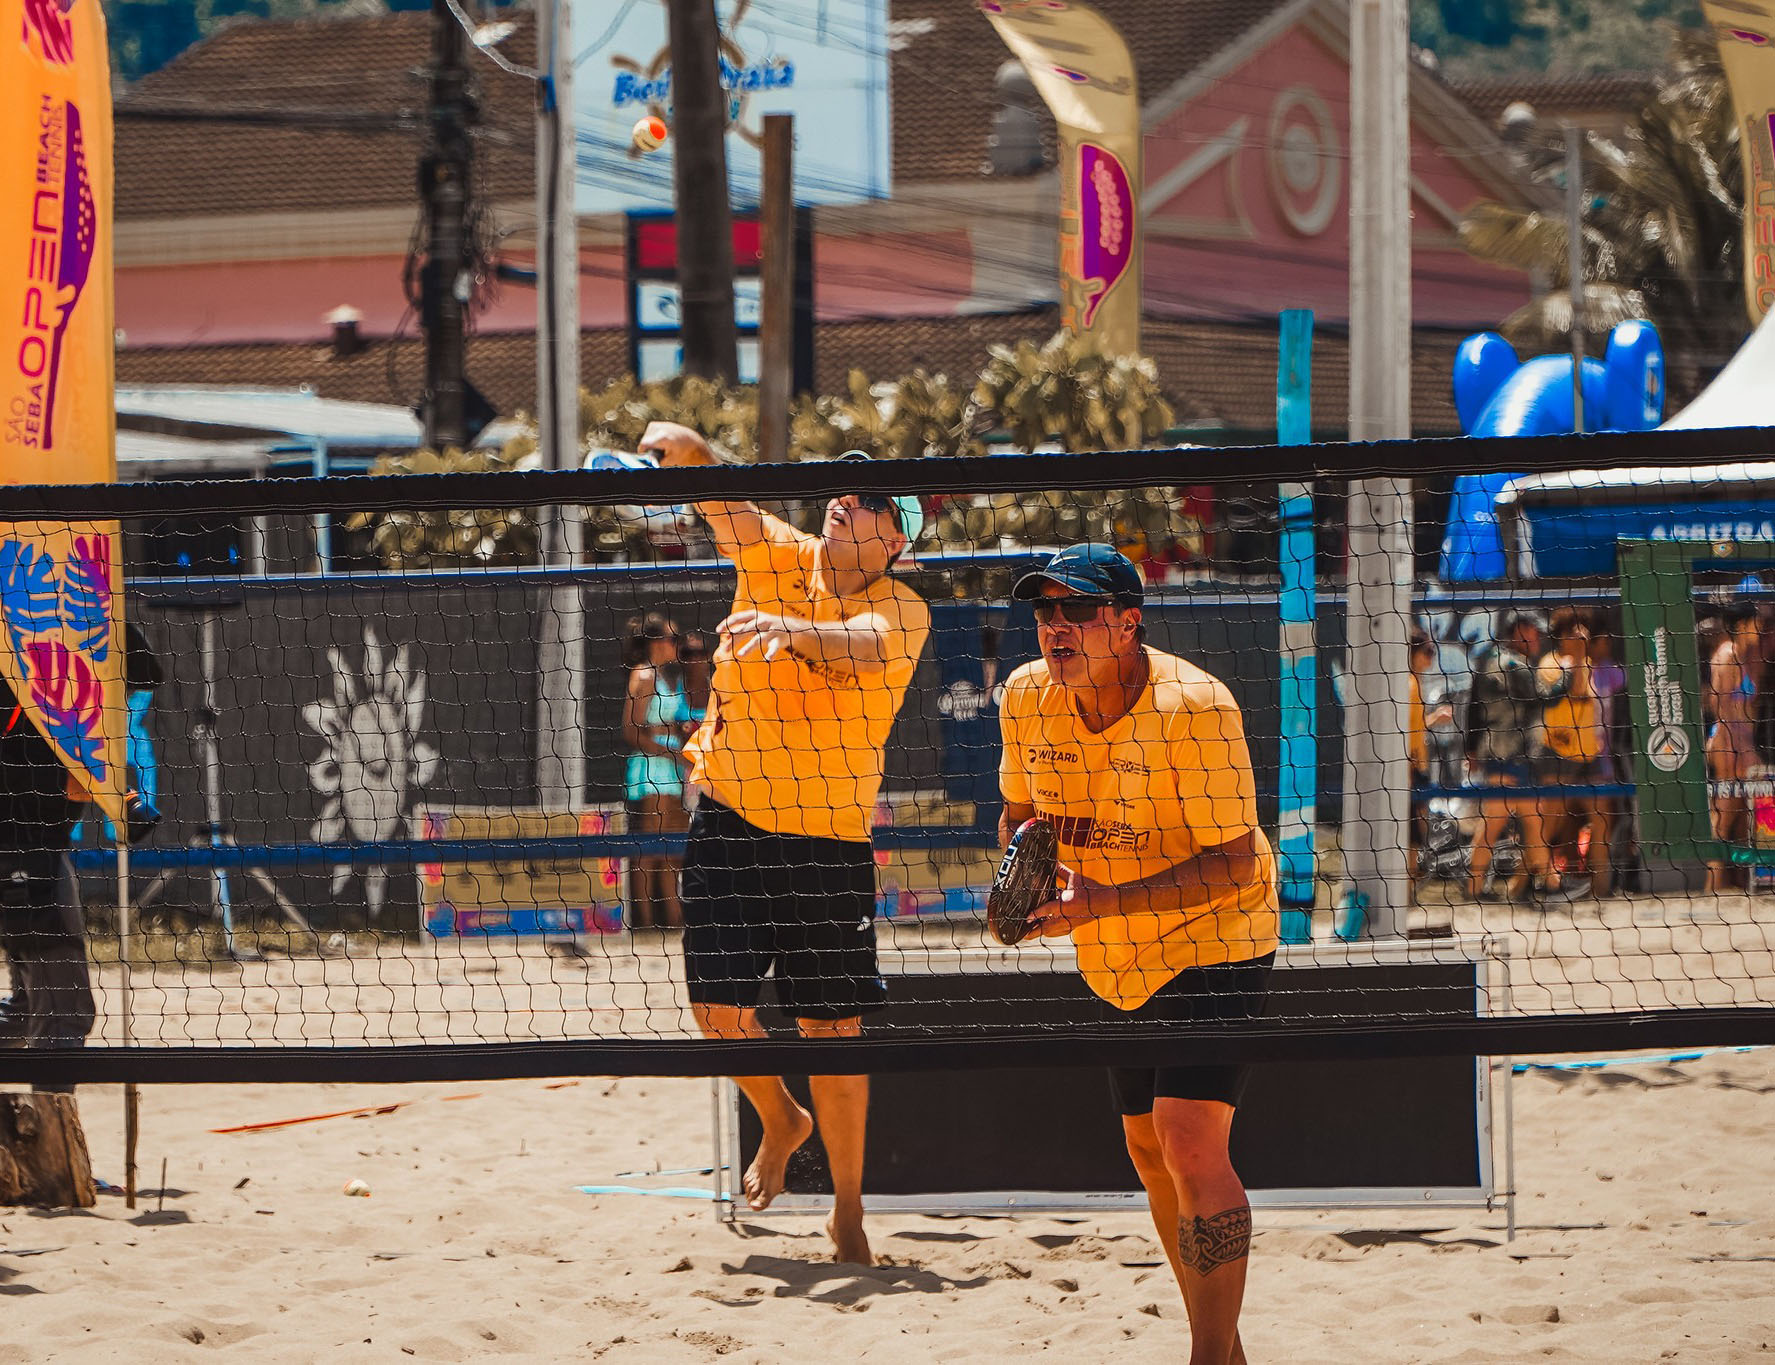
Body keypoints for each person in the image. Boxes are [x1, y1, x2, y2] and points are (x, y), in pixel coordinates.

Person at [638, 421, 930, 1267]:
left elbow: (868, 642)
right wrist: (689, 449)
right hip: (729, 815)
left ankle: (846, 1207)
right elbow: (724, 504)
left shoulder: (902, 607)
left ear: (898, 532)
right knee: (715, 1011)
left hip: (827, 840)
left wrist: (798, 631)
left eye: (871, 498)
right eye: (844, 489)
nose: (847, 500)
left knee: (830, 1029)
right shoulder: (778, 552)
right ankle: (780, 1116)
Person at [996, 543, 1278, 1365]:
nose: (1057, 627)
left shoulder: (1194, 706)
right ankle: (1222, 1349)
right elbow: (1017, 816)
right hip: (1112, 950)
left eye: (1077, 610)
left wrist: (1101, 898)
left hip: (1214, 934)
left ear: (1126, 622)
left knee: (1188, 1139)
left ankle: (1204, 1357)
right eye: (1045, 610)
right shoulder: (1024, 696)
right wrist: (1027, 880)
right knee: (1148, 1151)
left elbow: (1234, 859)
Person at [1, 622, 161, 1085]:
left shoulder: (58, 700)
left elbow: (146, 675)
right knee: (63, 1018)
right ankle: (49, 1155)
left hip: (32, 852)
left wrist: (111, 789)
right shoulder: (43, 699)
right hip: (23, 858)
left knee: (27, 1010)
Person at [1466, 609, 1571, 901]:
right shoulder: (1512, 663)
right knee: (1498, 823)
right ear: (1519, 632)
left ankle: (1547, 882)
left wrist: (1471, 748)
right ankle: (1545, 884)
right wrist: (1569, 674)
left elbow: (1472, 708)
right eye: (1533, 631)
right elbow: (1542, 695)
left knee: (1527, 819)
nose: (1537, 638)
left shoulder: (1490, 659)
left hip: (1503, 753)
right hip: (1508, 754)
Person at [622, 612, 692, 929]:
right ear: (656, 642)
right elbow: (633, 731)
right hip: (652, 768)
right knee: (649, 850)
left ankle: (672, 921)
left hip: (669, 768)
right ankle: (645, 923)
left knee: (669, 851)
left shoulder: (665, 676)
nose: (677, 644)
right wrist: (672, 751)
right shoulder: (646, 675)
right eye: (672, 638)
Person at [1538, 608, 1611, 894]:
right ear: (1561, 636)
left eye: (1584, 631)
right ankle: (1524, 882)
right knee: (1548, 827)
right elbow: (1577, 692)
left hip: (1588, 755)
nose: (1581, 636)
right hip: (1557, 753)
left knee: (1602, 819)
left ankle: (1601, 889)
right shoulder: (1550, 663)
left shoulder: (1591, 662)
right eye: (1573, 632)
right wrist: (1580, 658)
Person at [1705, 602, 1763, 891]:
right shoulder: (1727, 655)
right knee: (1724, 822)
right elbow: (1723, 711)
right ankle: (1710, 889)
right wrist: (1739, 754)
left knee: (1743, 827)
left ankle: (1737, 886)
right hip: (1726, 743)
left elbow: (1748, 713)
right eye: (1754, 621)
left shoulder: (1745, 655)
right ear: (1741, 624)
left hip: (1742, 745)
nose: (1759, 626)